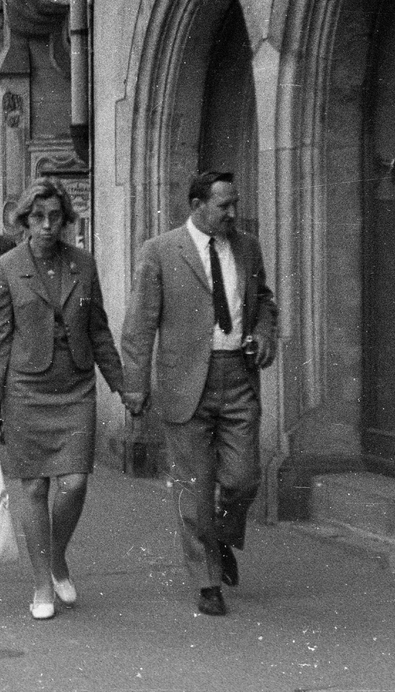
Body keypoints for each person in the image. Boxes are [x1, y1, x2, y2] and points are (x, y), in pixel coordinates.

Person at [119, 171, 278, 618]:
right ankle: (207, 581)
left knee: (244, 478)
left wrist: (264, 333)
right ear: (196, 204)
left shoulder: (246, 246)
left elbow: (263, 300)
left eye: (235, 204)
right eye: (224, 205)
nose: (233, 213)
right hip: (185, 382)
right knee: (194, 489)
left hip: (238, 377)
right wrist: (135, 384)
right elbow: (139, 324)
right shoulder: (160, 251)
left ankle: (224, 536)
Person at [0, 177, 126, 620]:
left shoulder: (84, 263)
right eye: (37, 218)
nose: (46, 225)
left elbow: (98, 329)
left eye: (54, 217)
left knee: (75, 481)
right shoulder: (5, 268)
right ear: (24, 221)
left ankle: (56, 553)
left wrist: (121, 383)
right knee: (35, 485)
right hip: (26, 388)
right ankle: (43, 580)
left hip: (75, 385)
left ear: (65, 220)